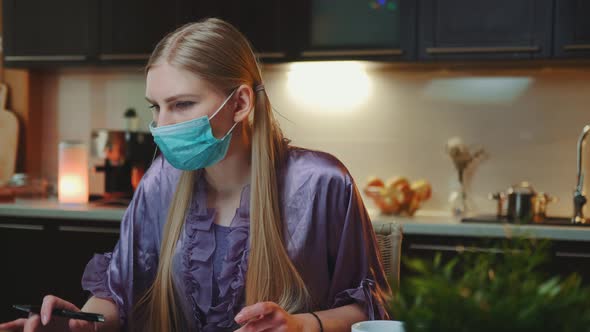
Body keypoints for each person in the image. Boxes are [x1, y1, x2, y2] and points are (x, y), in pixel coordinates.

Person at [0, 18, 391, 332]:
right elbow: (119, 294)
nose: (162, 125)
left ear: (239, 103)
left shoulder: (322, 183)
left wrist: (300, 325)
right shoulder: (160, 181)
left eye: (182, 105)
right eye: (156, 107)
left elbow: (369, 312)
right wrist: (78, 324)